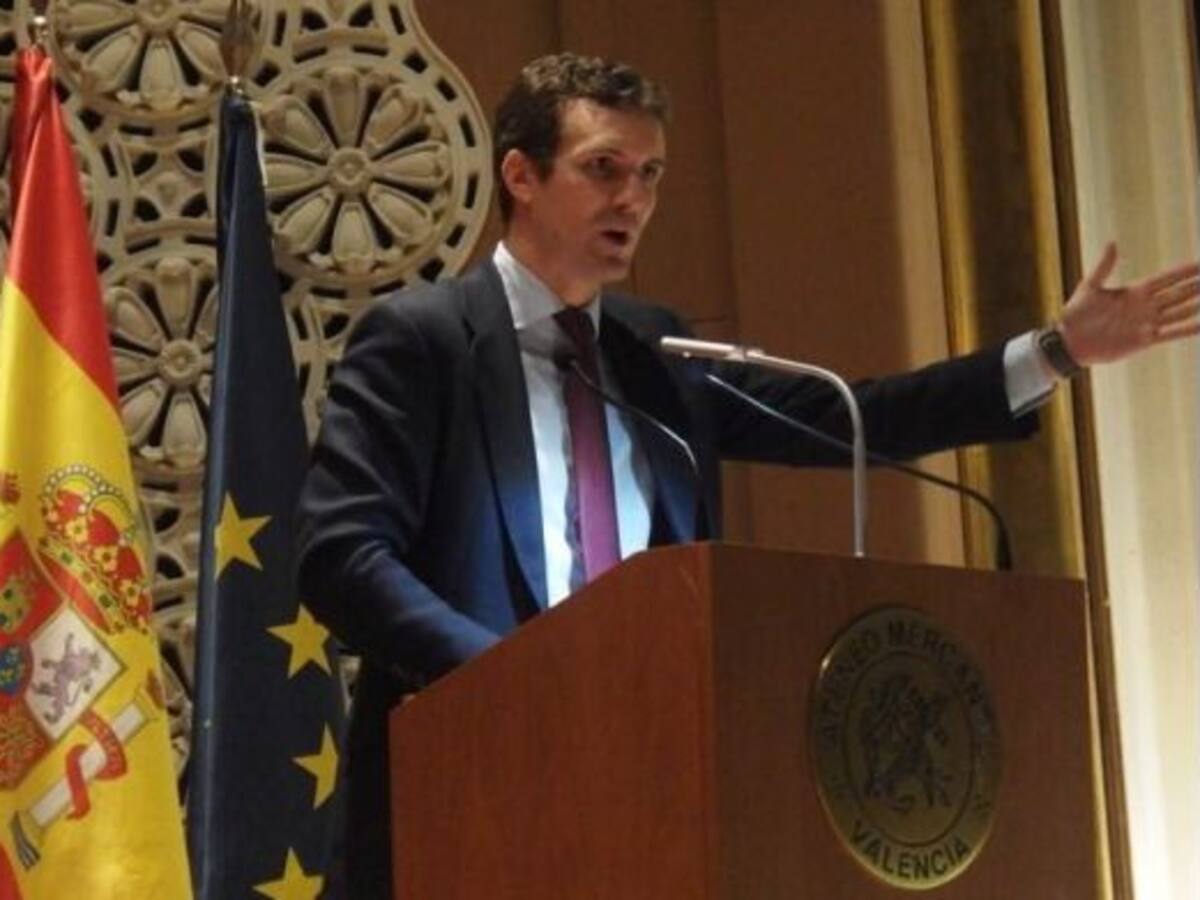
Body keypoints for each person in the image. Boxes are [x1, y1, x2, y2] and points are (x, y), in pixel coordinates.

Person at [295, 52, 1200, 897]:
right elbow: (343, 556)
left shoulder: (656, 352)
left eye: (651, 175)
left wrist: (1055, 352)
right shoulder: (424, 342)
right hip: (469, 789)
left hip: (656, 794)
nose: (633, 198)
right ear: (520, 175)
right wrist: (510, 678)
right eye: (604, 169)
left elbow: (851, 417)